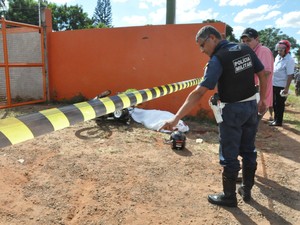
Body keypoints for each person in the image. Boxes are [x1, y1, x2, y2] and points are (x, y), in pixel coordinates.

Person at [159, 25, 267, 207]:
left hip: (232, 111)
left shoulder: (218, 59)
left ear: (212, 38)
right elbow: (262, 75)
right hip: (250, 107)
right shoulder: (245, 49)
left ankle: (229, 196)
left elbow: (199, 92)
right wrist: (262, 99)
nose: (202, 51)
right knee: (249, 148)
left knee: (229, 153)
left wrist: (175, 119)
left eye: (202, 45)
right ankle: (246, 189)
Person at [240, 28, 274, 121]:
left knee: (251, 125)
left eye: (249, 40)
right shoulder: (250, 52)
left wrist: (259, 95)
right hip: (253, 96)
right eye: (243, 41)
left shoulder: (263, 51)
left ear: (257, 39)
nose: (246, 43)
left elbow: (265, 73)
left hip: (259, 96)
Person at [270, 40, 295, 126]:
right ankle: (275, 119)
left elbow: (290, 75)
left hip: (281, 85)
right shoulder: (277, 57)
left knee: (279, 104)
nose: (279, 51)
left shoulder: (289, 60)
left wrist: (286, 88)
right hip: (274, 83)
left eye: (281, 49)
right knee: (274, 103)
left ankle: (278, 121)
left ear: (286, 49)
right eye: (278, 49)